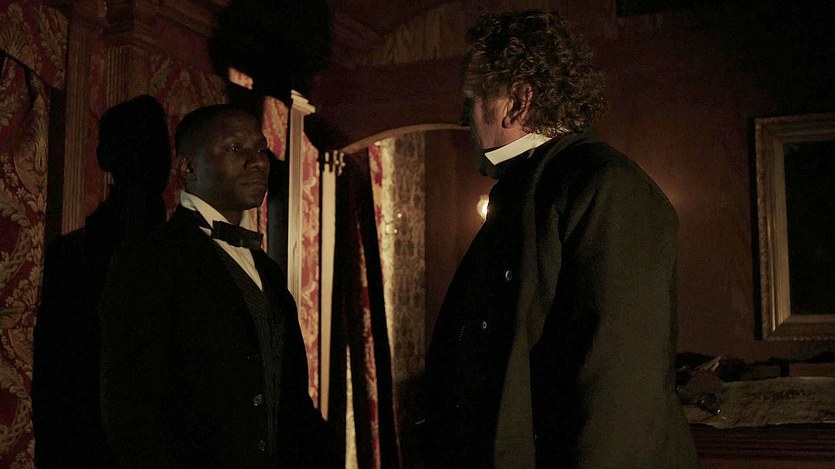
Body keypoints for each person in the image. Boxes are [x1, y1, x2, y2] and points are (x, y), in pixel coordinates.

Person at [424, 10, 699, 469]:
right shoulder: (528, 188)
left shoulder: (607, 186)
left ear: (518, 102)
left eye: (473, 98)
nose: (463, 116)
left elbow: (617, 390)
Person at [98, 104, 332, 468]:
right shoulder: (150, 259)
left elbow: (290, 396)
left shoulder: (268, 271)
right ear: (187, 167)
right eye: (236, 148)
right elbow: (132, 410)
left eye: (261, 148)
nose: (258, 162)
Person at [33, 94, 170, 468]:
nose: (152, 158)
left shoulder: (188, 254)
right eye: (137, 144)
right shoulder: (74, 256)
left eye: (158, 147)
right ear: (105, 157)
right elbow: (56, 386)